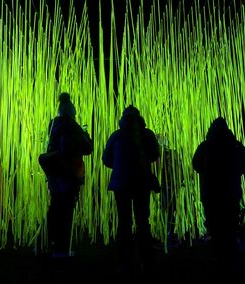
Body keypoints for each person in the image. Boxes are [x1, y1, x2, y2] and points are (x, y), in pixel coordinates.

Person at [102, 105, 160, 274]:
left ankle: (124, 261)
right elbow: (155, 155)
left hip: (121, 184)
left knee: (124, 222)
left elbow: (106, 159)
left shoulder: (116, 136)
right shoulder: (147, 135)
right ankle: (146, 261)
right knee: (143, 221)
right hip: (142, 183)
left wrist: (119, 167)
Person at [192, 117, 245, 259]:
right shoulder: (235, 145)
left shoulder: (205, 146)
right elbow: (244, 163)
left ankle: (217, 253)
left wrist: (207, 174)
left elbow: (196, 164)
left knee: (214, 222)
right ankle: (230, 253)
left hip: (210, 192)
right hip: (231, 191)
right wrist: (234, 174)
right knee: (230, 221)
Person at [46, 92, 93, 257]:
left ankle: (53, 244)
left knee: (55, 207)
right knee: (66, 210)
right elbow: (88, 148)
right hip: (69, 174)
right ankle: (62, 248)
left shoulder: (52, 125)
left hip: (54, 174)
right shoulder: (73, 127)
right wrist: (85, 133)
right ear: (72, 113)